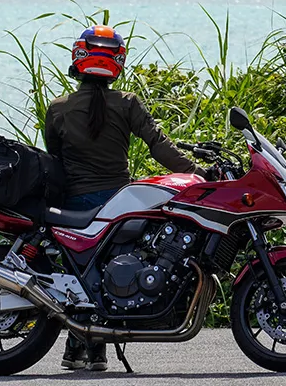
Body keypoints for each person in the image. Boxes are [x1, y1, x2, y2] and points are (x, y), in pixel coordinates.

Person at [44, 25, 216, 372]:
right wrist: (196, 172)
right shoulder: (127, 103)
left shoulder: (58, 108)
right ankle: (96, 349)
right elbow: (159, 145)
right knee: (113, 269)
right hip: (119, 202)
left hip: (75, 203)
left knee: (83, 273)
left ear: (78, 58)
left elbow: (54, 159)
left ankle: (80, 348)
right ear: (117, 63)